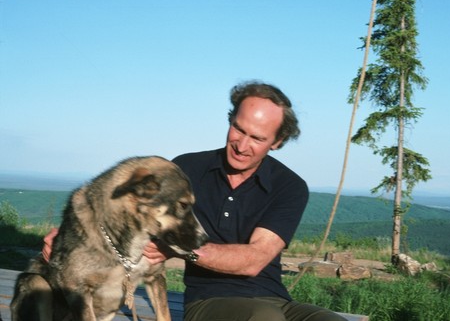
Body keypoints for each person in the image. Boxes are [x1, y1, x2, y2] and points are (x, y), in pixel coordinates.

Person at [43, 81, 347, 321]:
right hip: (209, 302)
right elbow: (128, 207)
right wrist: (72, 238)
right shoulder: (186, 169)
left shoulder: (290, 186)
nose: (241, 145)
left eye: (257, 138)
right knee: (264, 318)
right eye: (238, 129)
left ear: (277, 142)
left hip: (277, 300)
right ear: (230, 120)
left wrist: (178, 248)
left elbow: (255, 260)